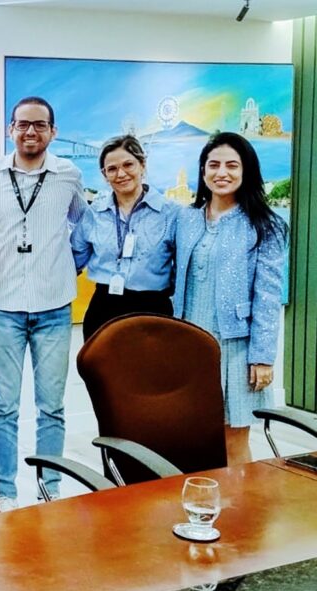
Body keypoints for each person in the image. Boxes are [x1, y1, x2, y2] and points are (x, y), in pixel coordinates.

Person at [0, 96, 87, 511]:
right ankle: (4, 490)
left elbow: (83, 224)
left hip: (54, 305)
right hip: (3, 304)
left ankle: (49, 487)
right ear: (10, 129)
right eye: (23, 124)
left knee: (51, 406)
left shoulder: (68, 175)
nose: (30, 131)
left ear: (53, 132)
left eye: (40, 125)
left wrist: (67, 261)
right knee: (3, 405)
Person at [173, 132, 286, 465]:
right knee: (189, 435)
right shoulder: (186, 219)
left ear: (246, 170)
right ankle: (199, 497)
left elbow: (268, 296)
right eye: (214, 165)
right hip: (189, 345)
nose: (221, 172)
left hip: (236, 348)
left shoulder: (265, 225)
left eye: (232, 165)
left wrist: (262, 357)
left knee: (233, 440)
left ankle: (239, 500)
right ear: (203, 171)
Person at [71, 135, 180, 341]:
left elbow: (183, 269)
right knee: (99, 363)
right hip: (104, 310)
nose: (121, 174)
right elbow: (73, 260)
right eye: (112, 169)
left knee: (152, 363)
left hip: (153, 310)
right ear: (104, 174)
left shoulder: (171, 214)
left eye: (128, 165)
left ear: (142, 165)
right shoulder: (94, 213)